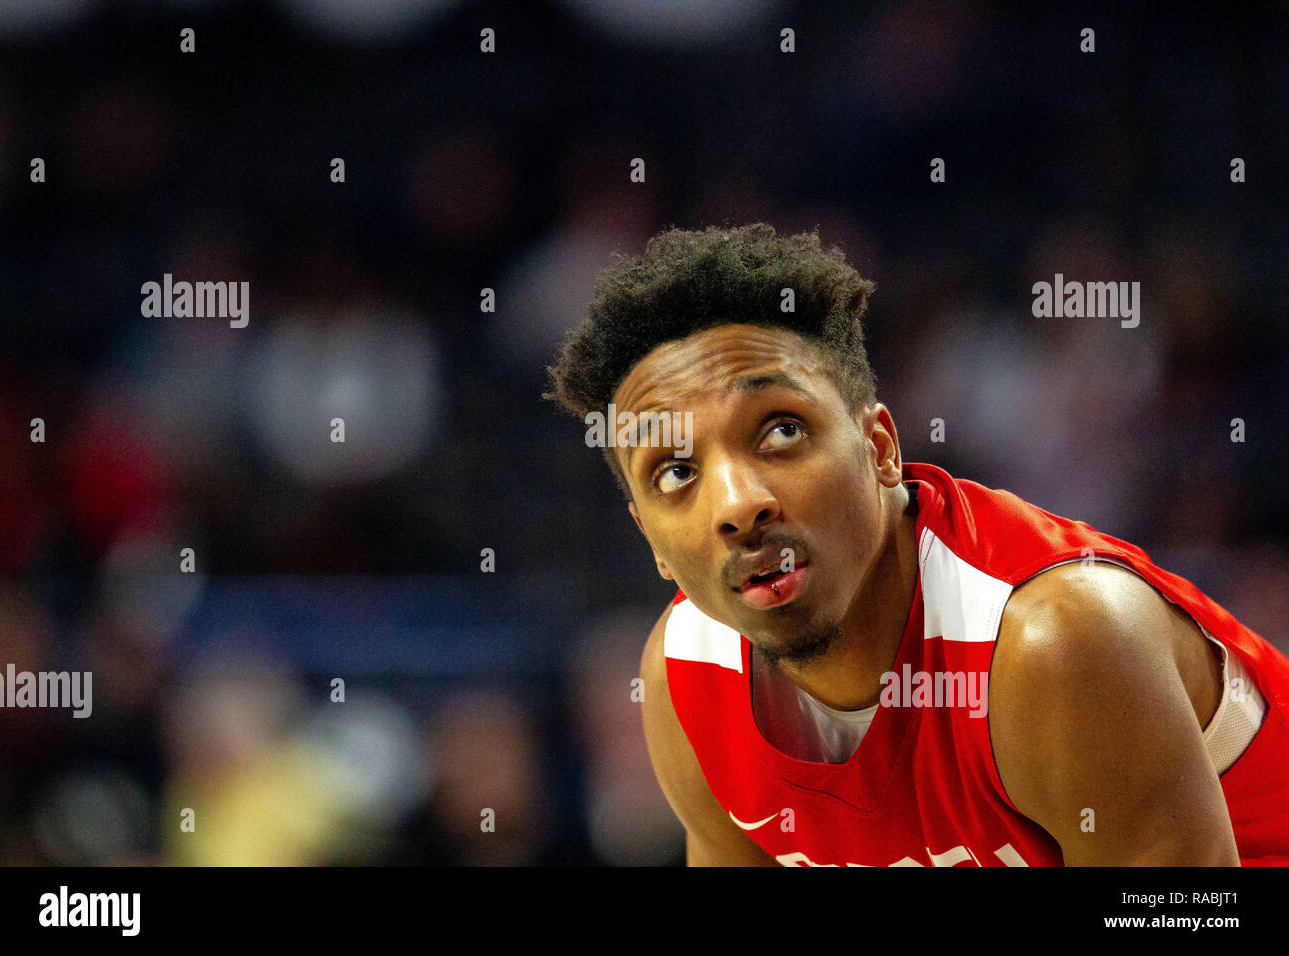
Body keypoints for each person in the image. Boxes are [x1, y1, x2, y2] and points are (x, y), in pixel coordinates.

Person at [544, 223, 1289, 866]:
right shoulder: (686, 680)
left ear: (880, 449)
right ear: (655, 546)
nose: (739, 505)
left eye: (780, 431)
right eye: (676, 471)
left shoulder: (1052, 637)